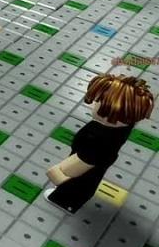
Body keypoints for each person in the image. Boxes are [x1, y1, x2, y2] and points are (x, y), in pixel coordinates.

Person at [45, 73, 154, 214]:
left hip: (85, 164)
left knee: (76, 184)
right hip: (97, 161)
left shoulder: (99, 137)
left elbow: (78, 165)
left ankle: (64, 202)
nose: (95, 104)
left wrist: (59, 172)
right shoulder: (123, 127)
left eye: (99, 102)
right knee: (87, 182)